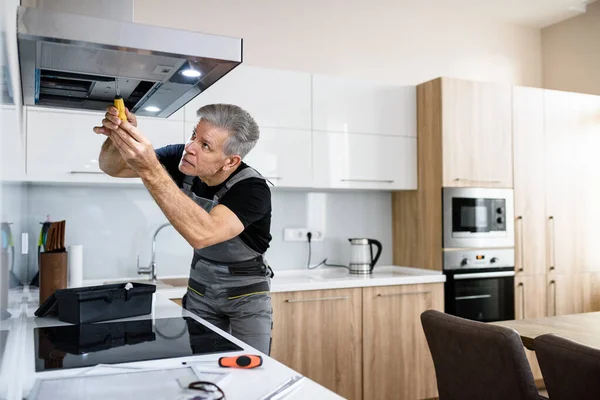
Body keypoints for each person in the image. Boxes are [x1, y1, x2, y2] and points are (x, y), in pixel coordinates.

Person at [93, 103, 274, 355]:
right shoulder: (181, 159)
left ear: (230, 161)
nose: (190, 148)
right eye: (193, 136)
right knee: (205, 371)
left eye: (205, 145)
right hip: (200, 288)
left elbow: (204, 234)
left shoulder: (252, 189)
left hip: (245, 296)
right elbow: (113, 167)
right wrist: (119, 137)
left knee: (252, 369)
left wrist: (151, 168)